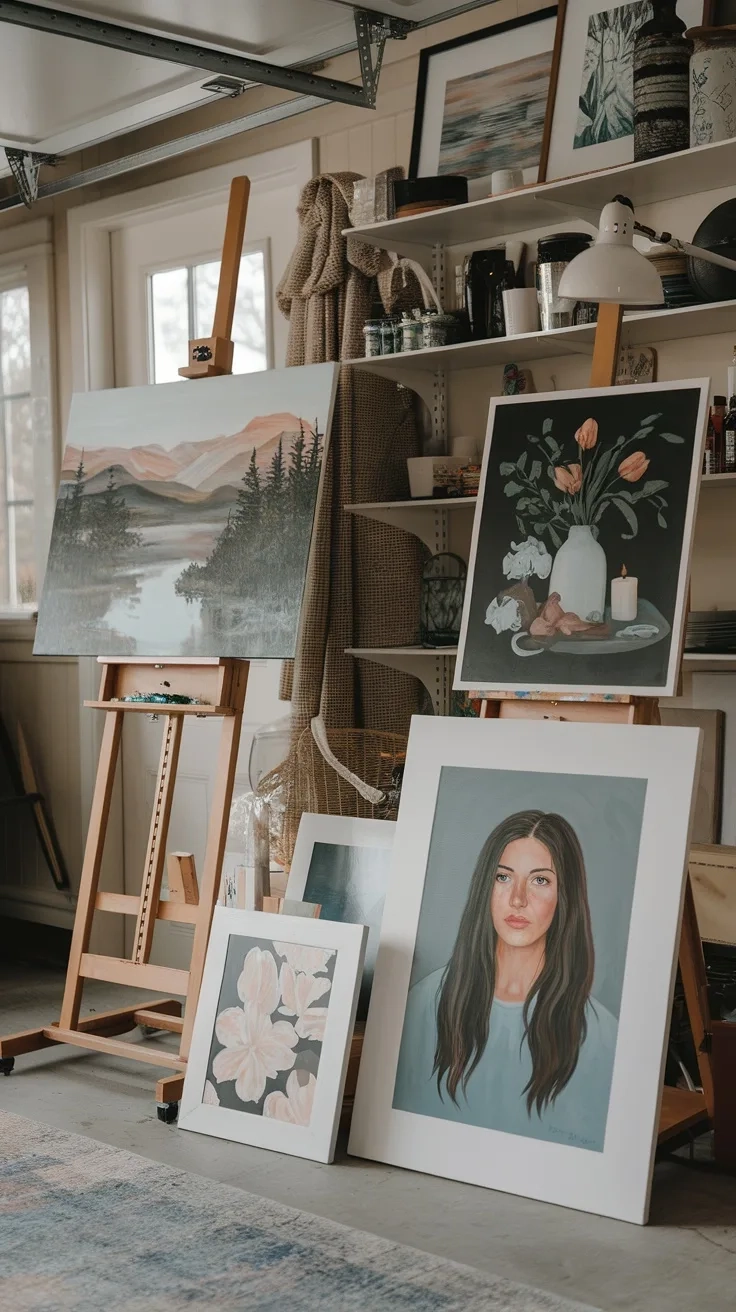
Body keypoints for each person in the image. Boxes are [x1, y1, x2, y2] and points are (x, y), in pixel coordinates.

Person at [392, 810, 618, 1150]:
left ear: (565, 897)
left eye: (540, 880)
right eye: (503, 877)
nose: (518, 898)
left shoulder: (600, 1035)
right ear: (486, 887)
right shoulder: (425, 1003)